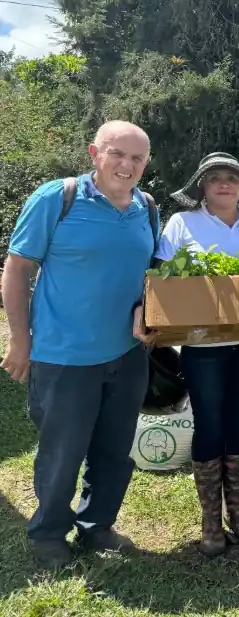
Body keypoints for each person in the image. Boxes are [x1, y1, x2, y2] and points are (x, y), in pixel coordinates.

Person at [1, 120, 159, 569]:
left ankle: (97, 526)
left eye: (137, 158)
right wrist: (20, 338)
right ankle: (49, 532)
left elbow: (149, 275)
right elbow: (16, 270)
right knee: (63, 451)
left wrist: (146, 312)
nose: (126, 166)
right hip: (64, 355)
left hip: (128, 355)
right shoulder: (58, 198)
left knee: (114, 449)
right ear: (95, 152)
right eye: (117, 154)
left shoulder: (146, 208)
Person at [154, 152, 239, 557]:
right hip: (203, 347)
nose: (225, 185)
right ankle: (211, 520)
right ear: (203, 189)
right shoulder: (183, 223)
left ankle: (238, 512)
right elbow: (164, 277)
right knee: (209, 426)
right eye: (216, 179)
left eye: (232, 179)